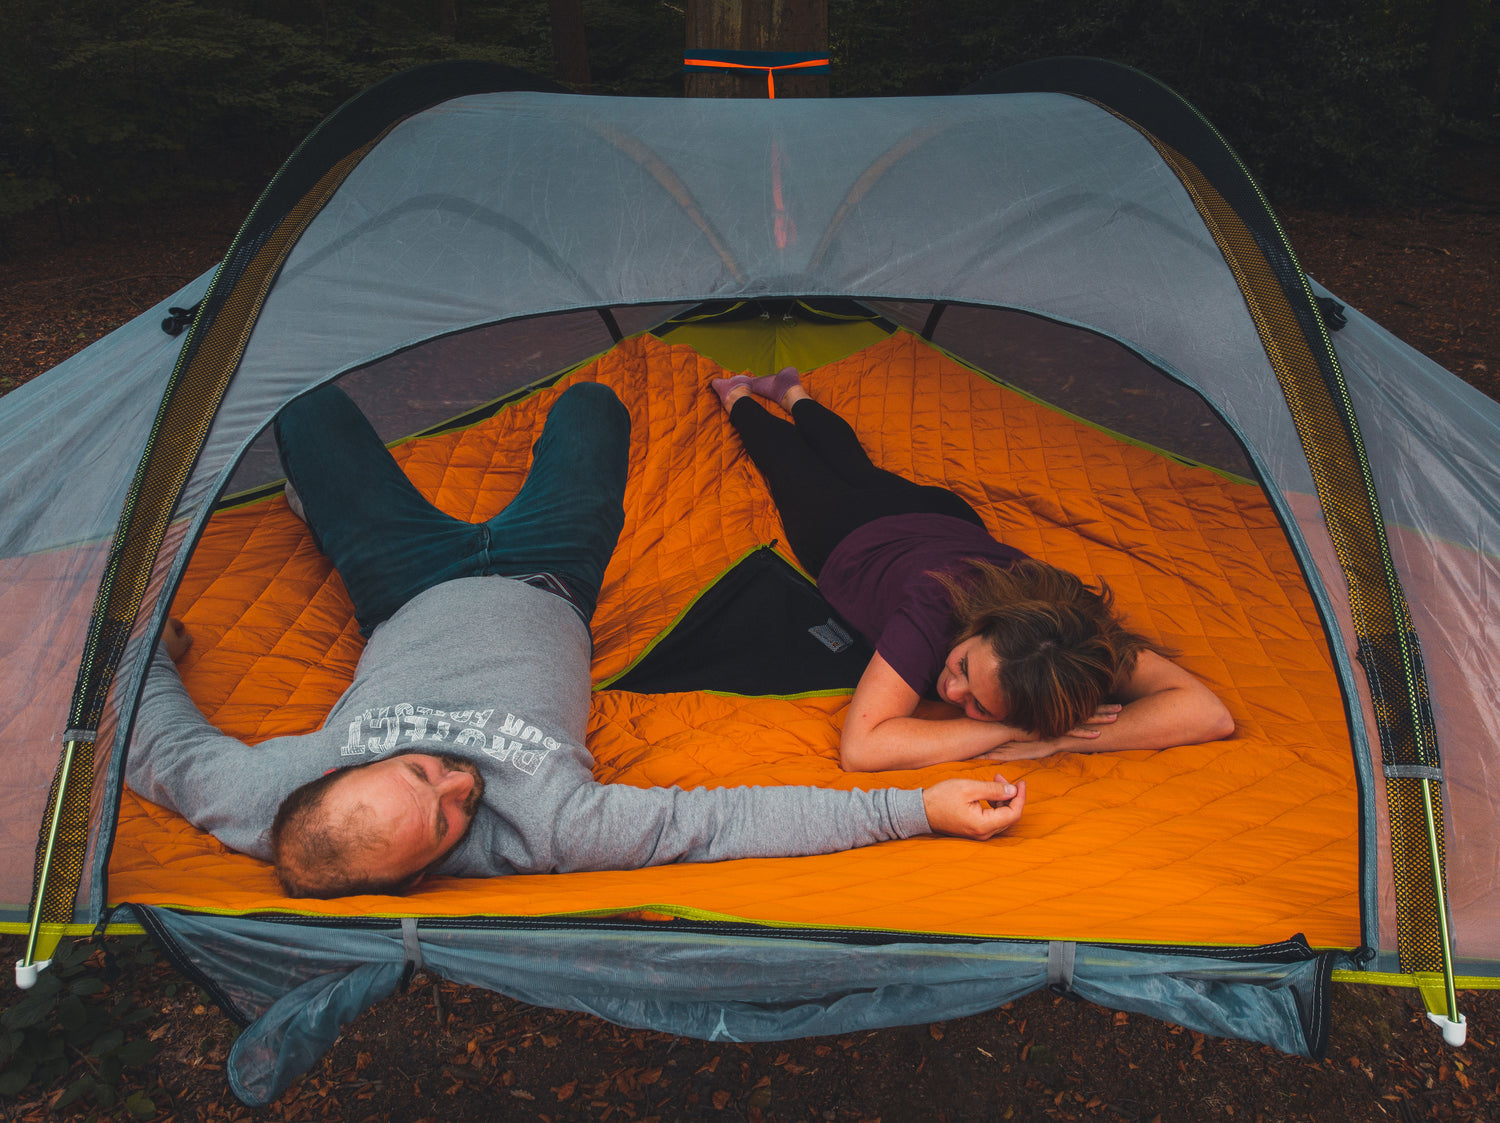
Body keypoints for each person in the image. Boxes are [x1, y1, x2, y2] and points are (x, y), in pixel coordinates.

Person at [128, 380, 1028, 899]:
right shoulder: (545, 827)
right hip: (551, 570)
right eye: (445, 824)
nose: (456, 781)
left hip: (401, 581)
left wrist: (148, 648)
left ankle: (323, 510)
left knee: (310, 410)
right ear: (425, 872)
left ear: (327, 774)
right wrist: (917, 810)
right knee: (597, 411)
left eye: (416, 773)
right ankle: (336, 510)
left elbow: (158, 745)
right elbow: (718, 822)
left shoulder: (265, 798)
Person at [710, 368, 1235, 772]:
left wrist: (1053, 737)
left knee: (855, 467)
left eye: (983, 707)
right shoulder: (934, 605)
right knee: (791, 468)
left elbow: (1208, 714)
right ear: (979, 627)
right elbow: (863, 748)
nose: (951, 690)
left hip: (945, 516)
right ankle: (735, 394)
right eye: (963, 666)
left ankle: (794, 393)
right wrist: (1009, 732)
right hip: (850, 534)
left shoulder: (1072, 638)